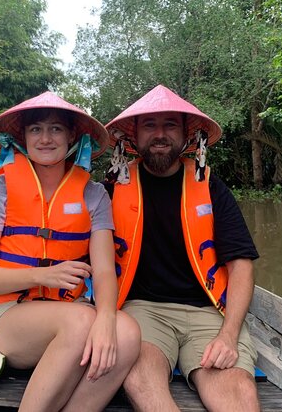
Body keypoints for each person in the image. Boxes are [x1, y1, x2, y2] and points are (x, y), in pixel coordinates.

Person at [0, 92, 140, 412]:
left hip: (69, 311)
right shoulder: (0, 189)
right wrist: (40, 275)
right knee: (79, 322)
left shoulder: (94, 194)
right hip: (4, 313)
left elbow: (103, 270)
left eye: (56, 129)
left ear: (72, 136)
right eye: (36, 130)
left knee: (127, 333)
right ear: (23, 137)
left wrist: (106, 317)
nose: (46, 138)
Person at [104, 85, 261, 411]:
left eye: (170, 125)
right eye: (149, 125)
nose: (160, 134)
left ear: (186, 135)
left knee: (237, 392)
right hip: (142, 309)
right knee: (140, 378)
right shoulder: (112, 189)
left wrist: (228, 335)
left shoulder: (211, 187)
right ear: (134, 135)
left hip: (209, 312)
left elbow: (241, 265)